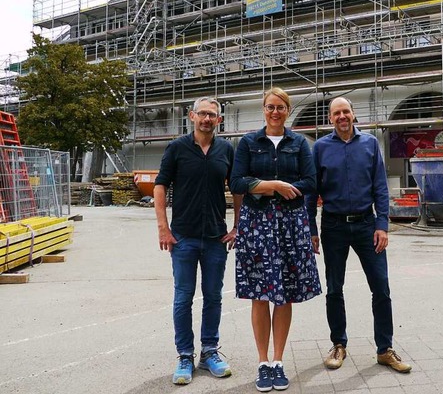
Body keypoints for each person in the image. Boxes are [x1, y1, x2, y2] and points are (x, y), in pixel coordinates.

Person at [305, 97, 412, 374]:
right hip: (333, 226)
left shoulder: (370, 144)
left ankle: (384, 350)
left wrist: (382, 225)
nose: (342, 116)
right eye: (336, 113)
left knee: (381, 287)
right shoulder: (320, 148)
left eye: (346, 111)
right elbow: (311, 193)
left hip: (367, 226)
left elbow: (380, 186)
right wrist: (311, 230)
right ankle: (338, 344)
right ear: (331, 118)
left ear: (354, 115)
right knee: (333, 288)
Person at [230, 87, 322, 392]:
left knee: (284, 291)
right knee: (260, 292)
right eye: (270, 107)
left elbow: (311, 182)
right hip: (256, 223)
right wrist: (273, 185)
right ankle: (262, 361)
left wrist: (286, 190)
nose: (275, 112)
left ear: (288, 110)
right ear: (263, 110)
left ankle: (279, 360)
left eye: (281, 107)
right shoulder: (248, 142)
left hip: (290, 224)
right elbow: (237, 181)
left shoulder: (298, 143)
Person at [154, 96, 241, 385]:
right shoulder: (177, 148)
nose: (206, 119)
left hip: (216, 238)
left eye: (212, 115)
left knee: (213, 297)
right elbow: (160, 186)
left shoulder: (226, 150)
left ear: (219, 120)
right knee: (183, 298)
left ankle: (209, 352)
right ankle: (184, 356)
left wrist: (238, 225)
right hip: (183, 238)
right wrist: (163, 229)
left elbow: (238, 188)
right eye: (202, 113)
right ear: (192, 116)